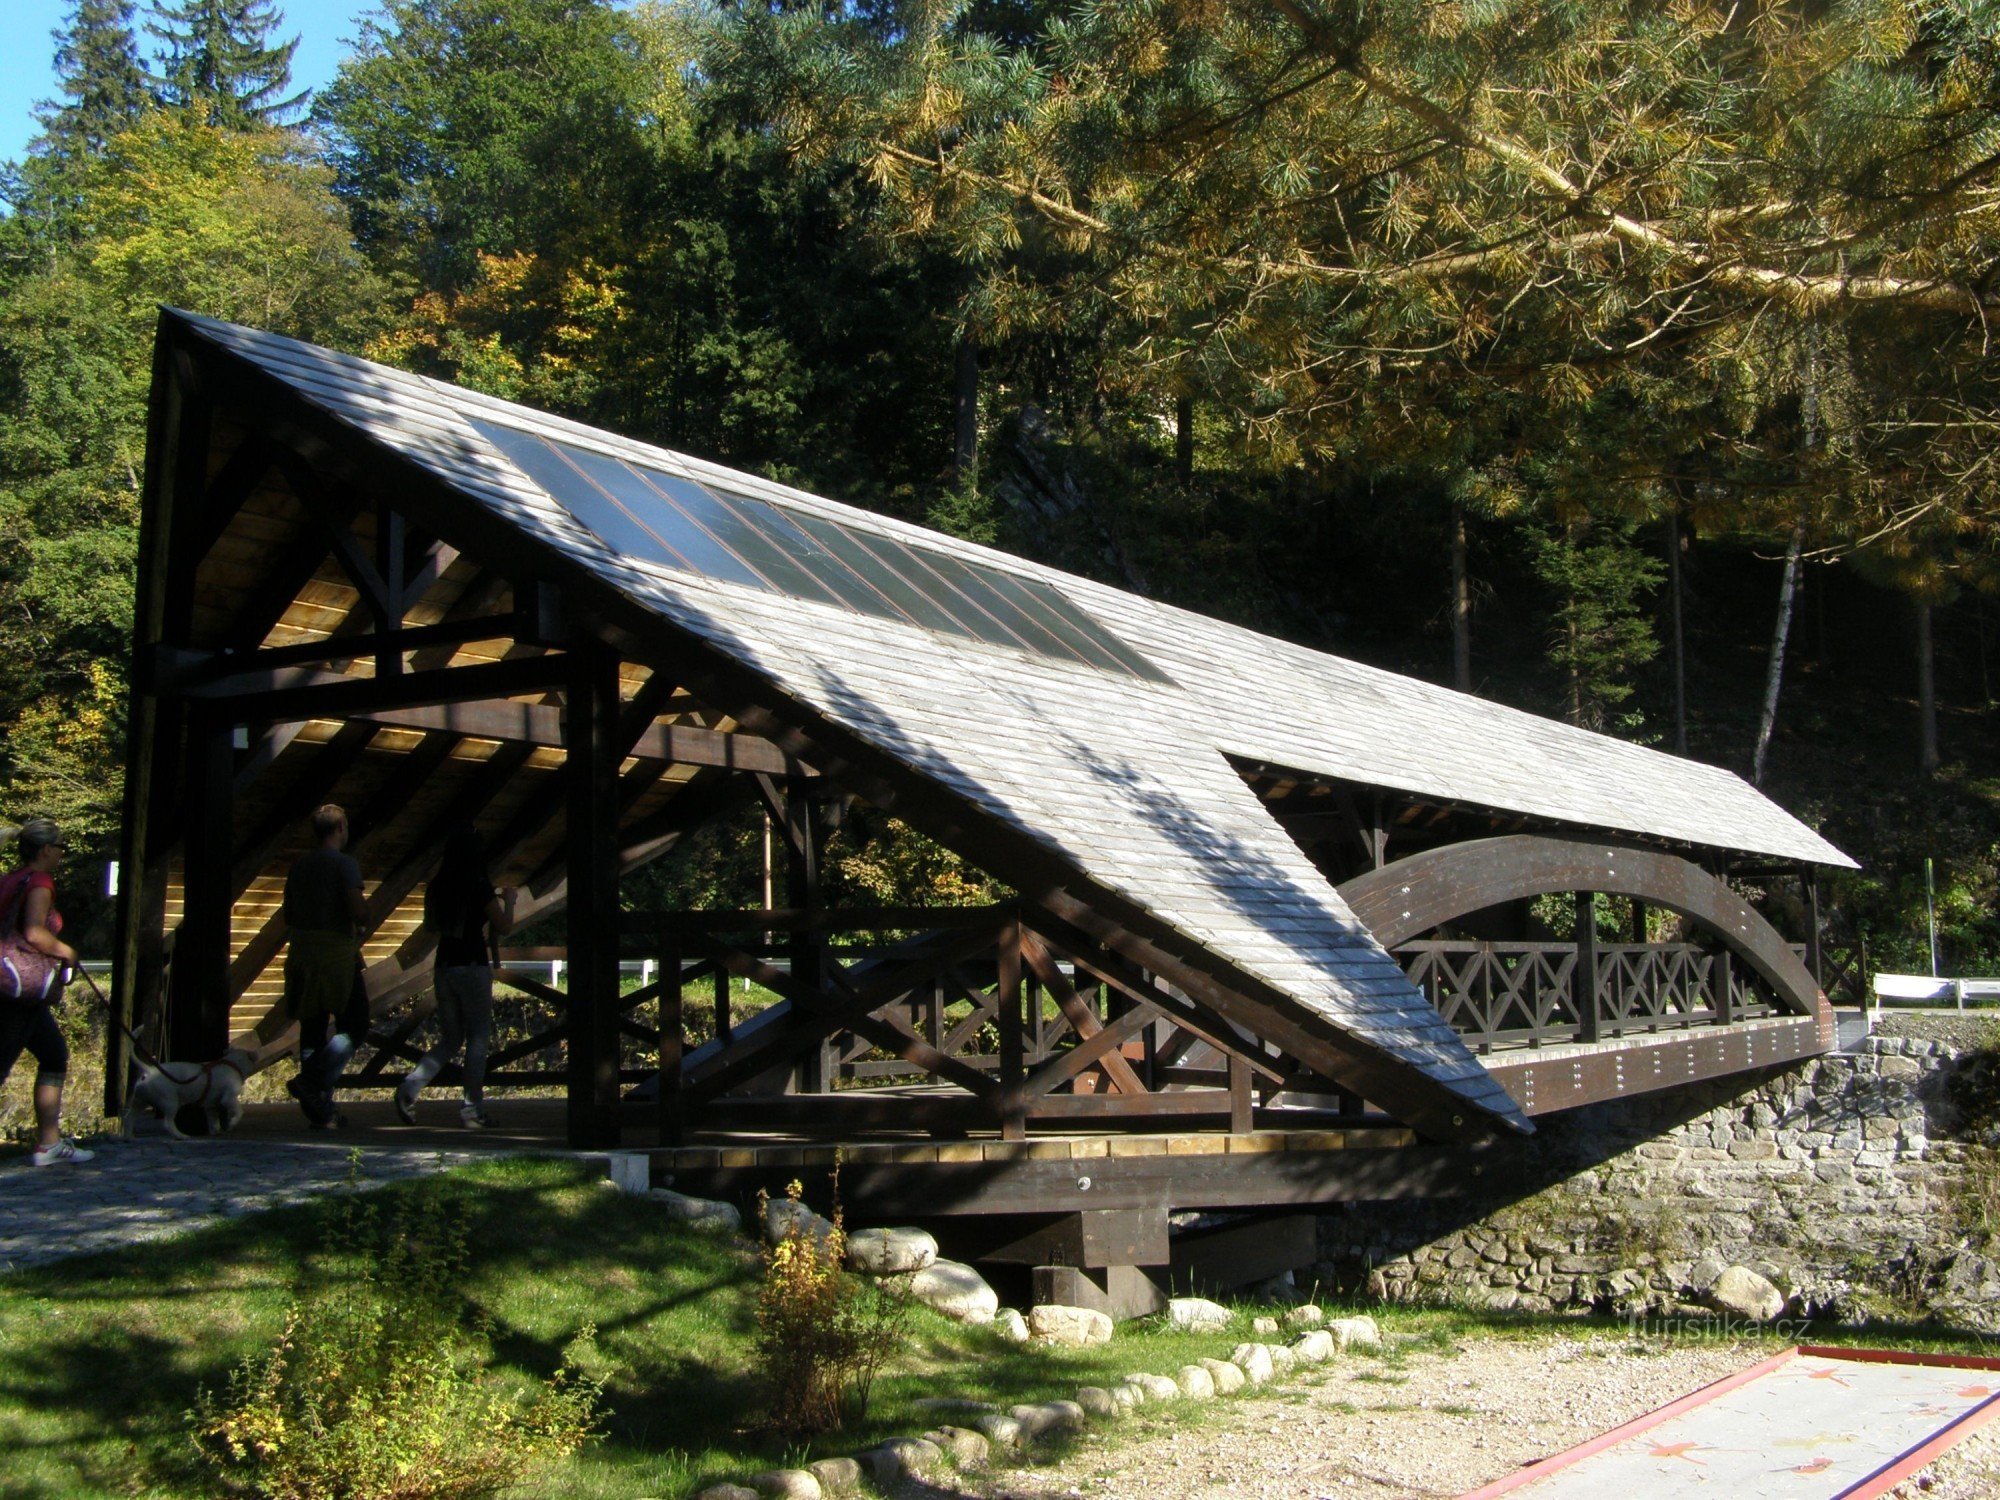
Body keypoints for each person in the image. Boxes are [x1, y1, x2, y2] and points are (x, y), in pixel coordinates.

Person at [396, 824, 513, 1129]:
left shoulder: (437, 885)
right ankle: (472, 1109)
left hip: (445, 964)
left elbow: (431, 926)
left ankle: (410, 1087)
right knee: (477, 1038)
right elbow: (503, 926)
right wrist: (509, 901)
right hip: (472, 964)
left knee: (451, 1038)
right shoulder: (478, 883)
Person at [0, 818, 93, 1166]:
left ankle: (49, 1144)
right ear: (45, 850)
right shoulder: (39, 882)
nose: (62, 854)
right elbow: (35, 934)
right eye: (60, 848)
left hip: (16, 988)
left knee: (54, 1054)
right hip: (18, 990)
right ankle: (48, 1144)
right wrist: (68, 952)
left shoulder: (10, 878)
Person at [281, 804, 366, 1128]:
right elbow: (357, 910)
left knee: (312, 1027)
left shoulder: (299, 866)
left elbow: (288, 913)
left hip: (302, 952)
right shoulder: (344, 865)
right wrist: (364, 915)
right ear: (341, 826)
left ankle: (320, 1109)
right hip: (336, 954)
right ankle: (312, 1083)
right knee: (355, 1024)